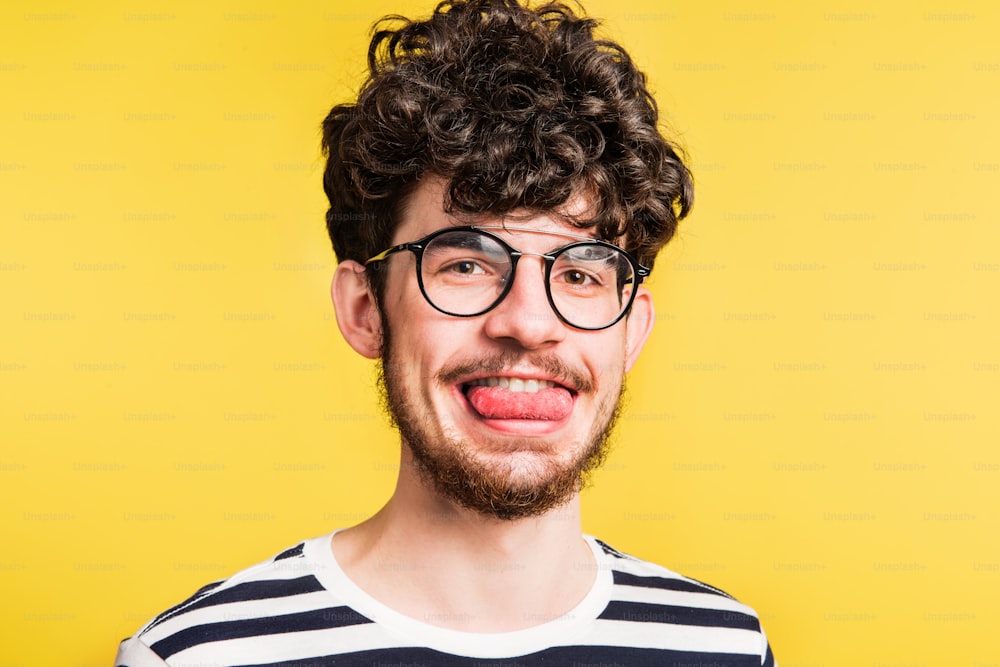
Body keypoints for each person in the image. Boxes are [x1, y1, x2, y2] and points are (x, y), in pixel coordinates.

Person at [115, 1, 775, 665]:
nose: (528, 323)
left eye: (581, 274)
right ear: (365, 308)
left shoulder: (727, 649)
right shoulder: (195, 656)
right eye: (466, 263)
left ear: (632, 330)